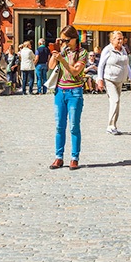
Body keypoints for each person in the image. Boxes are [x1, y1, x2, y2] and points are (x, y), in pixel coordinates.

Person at [50, 25, 86, 169]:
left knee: (73, 126)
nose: (64, 42)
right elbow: (51, 66)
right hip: (60, 91)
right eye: (62, 40)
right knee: (59, 126)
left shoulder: (82, 53)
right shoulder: (62, 51)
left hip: (74, 92)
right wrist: (57, 53)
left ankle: (74, 157)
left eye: (66, 40)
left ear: (74, 39)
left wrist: (63, 60)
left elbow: (75, 72)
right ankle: (58, 157)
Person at [95, 30, 131, 135]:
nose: (121, 41)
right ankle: (109, 126)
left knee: (116, 102)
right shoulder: (107, 49)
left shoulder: (123, 49)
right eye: (118, 39)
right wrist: (100, 79)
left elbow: (126, 64)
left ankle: (114, 126)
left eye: (122, 38)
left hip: (120, 80)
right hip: (109, 79)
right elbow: (101, 65)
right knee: (115, 100)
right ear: (112, 40)